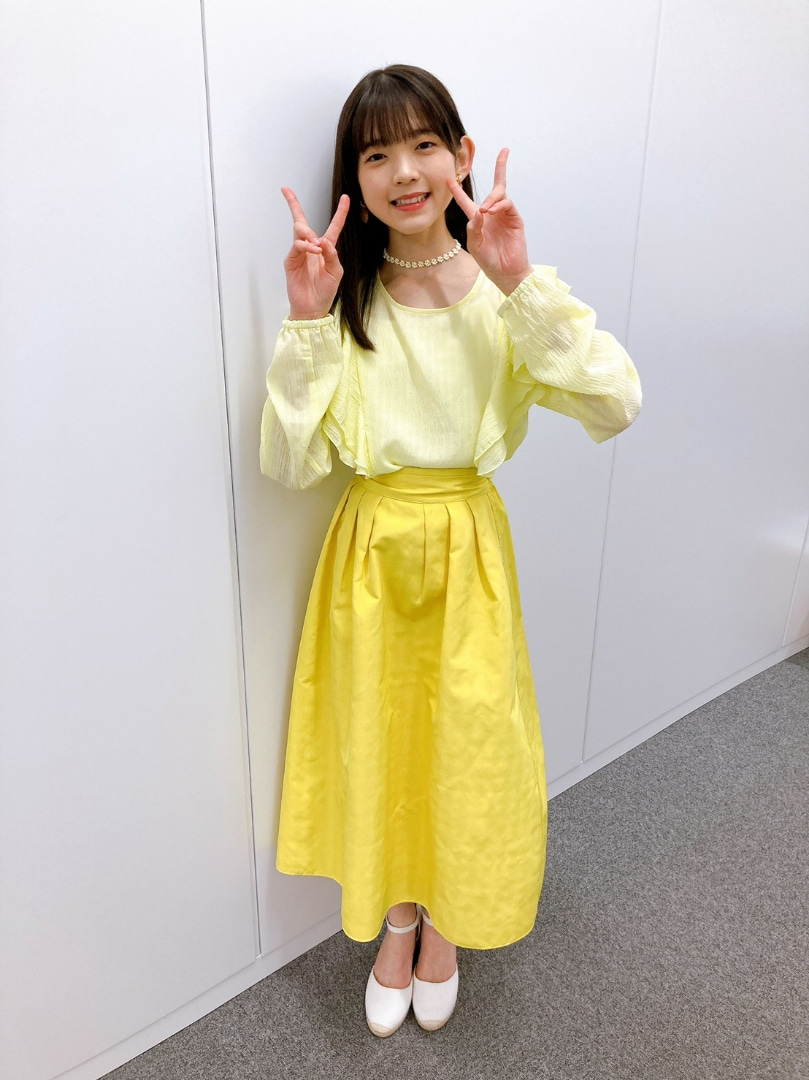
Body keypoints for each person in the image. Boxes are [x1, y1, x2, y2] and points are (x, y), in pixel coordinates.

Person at [260, 64, 642, 1038]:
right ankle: (396, 919)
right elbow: (290, 463)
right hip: (370, 553)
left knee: (468, 746)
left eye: (423, 144)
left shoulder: (501, 294)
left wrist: (517, 282)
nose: (404, 171)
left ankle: (447, 923)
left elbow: (614, 403)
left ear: (461, 156)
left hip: (468, 549)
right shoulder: (347, 300)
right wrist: (305, 318)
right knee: (381, 740)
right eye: (376, 154)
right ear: (353, 180)